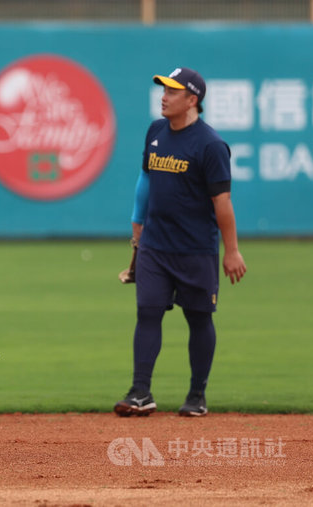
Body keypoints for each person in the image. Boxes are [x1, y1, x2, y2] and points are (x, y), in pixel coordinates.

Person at [114, 67, 247, 418]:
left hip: (196, 249)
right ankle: (140, 391)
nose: (164, 96)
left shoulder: (211, 145)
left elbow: (223, 203)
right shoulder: (156, 131)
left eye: (172, 92)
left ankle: (197, 395)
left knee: (199, 318)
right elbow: (145, 178)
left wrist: (231, 250)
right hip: (156, 245)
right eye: (163, 89)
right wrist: (137, 223)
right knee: (147, 313)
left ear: (192, 100)